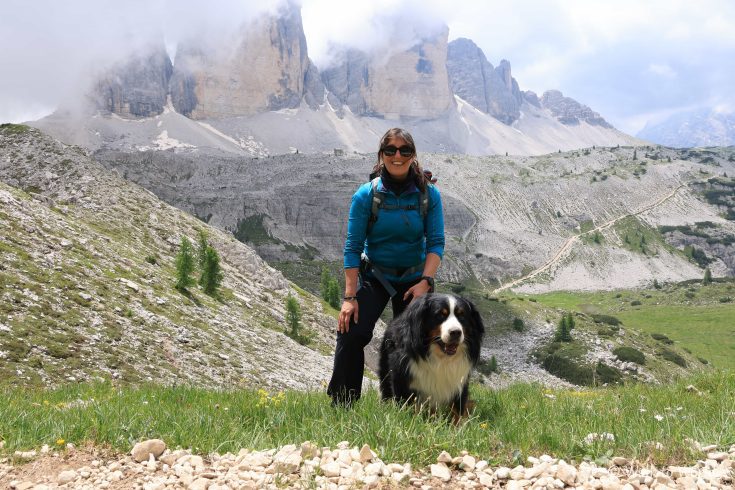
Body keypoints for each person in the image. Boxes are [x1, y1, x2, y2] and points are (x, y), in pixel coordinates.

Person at [327, 127, 445, 406]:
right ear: (381, 156)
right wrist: (349, 298)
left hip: (416, 278)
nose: (397, 156)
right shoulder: (366, 195)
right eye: (390, 150)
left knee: (417, 341)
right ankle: (342, 405)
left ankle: (409, 404)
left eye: (405, 150)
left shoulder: (429, 195)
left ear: (413, 156)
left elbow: (436, 243)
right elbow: (353, 247)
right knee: (351, 331)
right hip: (375, 275)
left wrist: (425, 282)